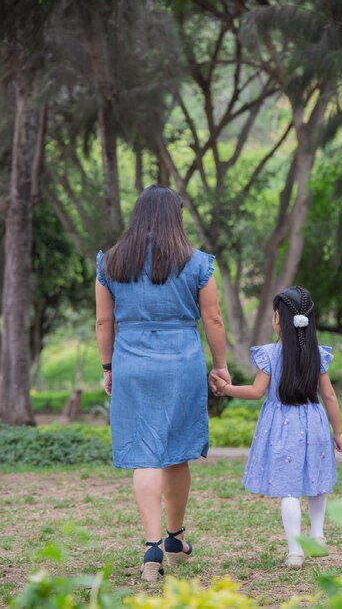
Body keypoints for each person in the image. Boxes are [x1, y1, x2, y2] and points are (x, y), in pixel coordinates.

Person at [95, 185, 230, 581]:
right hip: (182, 360)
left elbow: (105, 321)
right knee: (176, 450)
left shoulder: (111, 262)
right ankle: (174, 537)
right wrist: (220, 365)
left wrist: (108, 366)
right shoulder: (198, 262)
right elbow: (214, 319)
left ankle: (152, 546)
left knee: (145, 453)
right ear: (177, 216)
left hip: (132, 360)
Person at [211, 285, 342, 568]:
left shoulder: (271, 354)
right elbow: (330, 395)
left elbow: (256, 391)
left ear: (278, 320)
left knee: (289, 489)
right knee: (317, 481)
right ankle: (318, 535)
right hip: (315, 423)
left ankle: (295, 551)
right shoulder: (317, 355)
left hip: (283, 426)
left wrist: (226, 388)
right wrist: (338, 431)